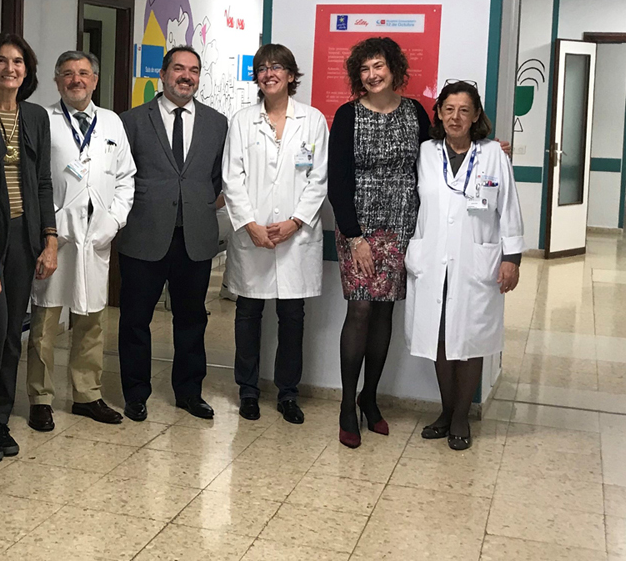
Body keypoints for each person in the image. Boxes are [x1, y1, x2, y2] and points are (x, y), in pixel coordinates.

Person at [407, 81, 522, 450]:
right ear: (439, 113)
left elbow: (509, 207)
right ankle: (445, 411)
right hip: (433, 259)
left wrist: (512, 258)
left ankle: (461, 417)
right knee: (439, 337)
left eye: (464, 110)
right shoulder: (425, 152)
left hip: (476, 261)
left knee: (470, 338)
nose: (456, 117)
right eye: (449, 109)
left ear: (475, 117)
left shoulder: (493, 154)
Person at [116, 45, 229, 422]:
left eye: (193, 70)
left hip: (194, 236)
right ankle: (135, 393)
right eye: (178, 68)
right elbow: (121, 174)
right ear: (162, 75)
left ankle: (189, 392)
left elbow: (218, 177)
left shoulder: (217, 123)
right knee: (135, 319)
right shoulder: (132, 121)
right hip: (144, 233)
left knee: (192, 319)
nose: (186, 76)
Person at [328, 37, 430, 449]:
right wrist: (355, 238)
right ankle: (346, 406)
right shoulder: (347, 115)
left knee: (385, 311)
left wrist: (486, 148)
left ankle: (370, 398)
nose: (372, 75)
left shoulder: (416, 112)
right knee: (360, 308)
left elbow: (438, 157)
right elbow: (337, 181)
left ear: (394, 69)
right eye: (365, 69)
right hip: (359, 228)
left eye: (378, 66)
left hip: (403, 225)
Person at [27, 51, 135, 428]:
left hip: (97, 235)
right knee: (45, 321)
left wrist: (114, 221)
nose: (77, 80)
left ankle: (87, 394)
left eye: (84, 73)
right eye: (68, 73)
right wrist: (46, 228)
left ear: (95, 80)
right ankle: (40, 397)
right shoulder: (43, 120)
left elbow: (126, 178)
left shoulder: (112, 122)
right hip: (55, 234)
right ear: (57, 81)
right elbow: (33, 179)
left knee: (92, 319)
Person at [221, 44, 328, 425]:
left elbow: (318, 178)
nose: (269, 73)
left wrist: (295, 222)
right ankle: (248, 391)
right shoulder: (242, 120)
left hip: (295, 238)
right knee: (248, 314)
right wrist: (250, 224)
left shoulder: (313, 120)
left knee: (292, 317)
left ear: (291, 75)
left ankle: (288, 393)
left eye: (277, 67)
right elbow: (232, 178)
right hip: (253, 236)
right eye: (263, 68)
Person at [0, 34, 58, 459]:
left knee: (13, 333)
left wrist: (49, 238)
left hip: (24, 235)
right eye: (1, 61)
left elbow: (43, 181)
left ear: (27, 70)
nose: (10, 68)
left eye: (18, 61)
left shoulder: (36, 116)